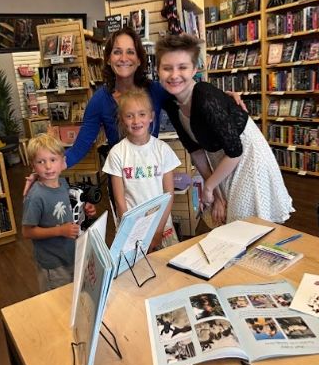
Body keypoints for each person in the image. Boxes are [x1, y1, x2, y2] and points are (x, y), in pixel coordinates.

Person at [23, 27, 245, 195]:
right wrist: (46, 168)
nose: (124, 58)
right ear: (109, 59)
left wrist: (225, 97)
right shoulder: (99, 101)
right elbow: (81, 145)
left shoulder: (156, 91)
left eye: (130, 52)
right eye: (117, 52)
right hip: (122, 180)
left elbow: (189, 92)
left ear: (139, 59)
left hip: (153, 176)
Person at [155, 33, 294, 225]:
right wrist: (216, 193)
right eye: (167, 68)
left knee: (249, 223)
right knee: (229, 220)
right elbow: (195, 151)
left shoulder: (204, 96)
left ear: (195, 68)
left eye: (183, 67)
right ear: (158, 70)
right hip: (222, 158)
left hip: (247, 156)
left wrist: (209, 187)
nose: (174, 75)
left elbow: (236, 151)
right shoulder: (171, 103)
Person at [103, 88, 181, 250]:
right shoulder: (117, 153)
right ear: (121, 119)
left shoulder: (162, 149)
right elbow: (119, 200)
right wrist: (131, 230)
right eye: (129, 115)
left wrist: (158, 230)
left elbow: (169, 194)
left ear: (151, 116)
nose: (136, 121)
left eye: (142, 114)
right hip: (132, 227)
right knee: (135, 272)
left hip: (162, 225)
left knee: (166, 270)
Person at [22, 134, 92, 293]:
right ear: (33, 165)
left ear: (62, 162)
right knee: (58, 303)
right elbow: (27, 232)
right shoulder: (35, 196)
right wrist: (59, 230)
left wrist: (84, 209)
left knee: (73, 296)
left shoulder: (63, 183)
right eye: (41, 161)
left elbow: (68, 208)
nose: (48, 166)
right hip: (53, 265)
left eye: (53, 160)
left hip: (72, 254)